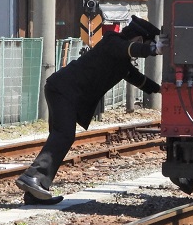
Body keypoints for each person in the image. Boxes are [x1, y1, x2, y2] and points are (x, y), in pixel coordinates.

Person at [16, 15, 169, 205]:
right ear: (139, 40)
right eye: (143, 43)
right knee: (64, 135)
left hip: (62, 90)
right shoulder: (113, 42)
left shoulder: (120, 61)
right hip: (64, 90)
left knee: (59, 136)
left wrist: (162, 90)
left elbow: (137, 78)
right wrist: (153, 49)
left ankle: (36, 191)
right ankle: (33, 177)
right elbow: (129, 49)